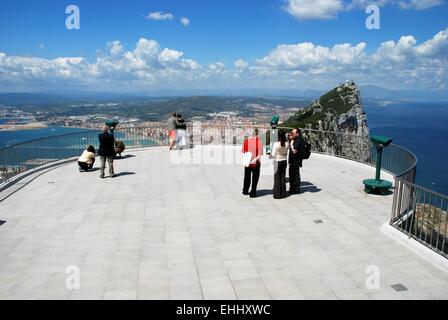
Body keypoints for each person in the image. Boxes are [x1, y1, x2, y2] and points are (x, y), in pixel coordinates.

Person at [242, 128, 264, 198]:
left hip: (247, 162)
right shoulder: (259, 142)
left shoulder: (246, 141)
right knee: (255, 179)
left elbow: (243, 152)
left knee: (246, 177)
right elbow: (260, 154)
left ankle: (245, 191)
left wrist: (247, 159)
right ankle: (253, 193)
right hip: (256, 163)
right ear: (257, 134)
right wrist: (254, 160)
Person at [271, 130, 289, 199]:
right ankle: (283, 193)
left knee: (277, 178)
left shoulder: (276, 144)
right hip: (284, 161)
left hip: (277, 161)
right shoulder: (287, 143)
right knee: (282, 177)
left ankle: (277, 194)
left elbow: (273, 154)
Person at [288, 128, 304, 194]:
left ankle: (295, 189)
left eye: (293, 133)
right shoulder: (295, 139)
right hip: (293, 160)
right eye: (291, 133)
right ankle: (293, 189)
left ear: (297, 133)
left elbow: (294, 151)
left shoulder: (299, 140)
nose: (292, 134)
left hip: (295, 161)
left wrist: (291, 144)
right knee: (292, 175)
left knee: (295, 175)